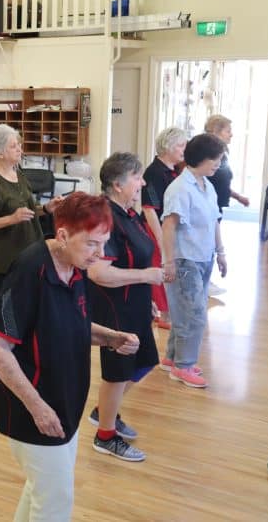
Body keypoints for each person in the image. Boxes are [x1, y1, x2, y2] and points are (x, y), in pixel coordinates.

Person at [0, 192, 140, 521]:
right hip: (32, 409)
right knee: (56, 499)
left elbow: (74, 324)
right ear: (64, 235)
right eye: (93, 244)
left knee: (42, 490)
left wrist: (111, 338)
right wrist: (37, 407)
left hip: (65, 404)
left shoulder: (75, 266)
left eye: (105, 243)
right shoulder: (29, 270)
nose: (101, 254)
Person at [87, 153, 165, 462]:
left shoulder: (128, 213)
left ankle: (106, 410)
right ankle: (105, 436)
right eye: (137, 177)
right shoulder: (105, 218)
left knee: (145, 361)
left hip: (134, 302)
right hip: (114, 307)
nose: (143, 182)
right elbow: (99, 273)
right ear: (118, 185)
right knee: (117, 373)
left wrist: (146, 301)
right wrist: (146, 276)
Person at [0, 124, 60, 363]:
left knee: (13, 303)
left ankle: (5, 346)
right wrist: (12, 218)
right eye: (13, 146)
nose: (19, 149)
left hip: (17, 253)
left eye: (19, 144)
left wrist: (46, 209)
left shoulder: (19, 174)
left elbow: (25, 209)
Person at [161, 133, 227, 388]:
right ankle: (183, 367)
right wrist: (169, 263)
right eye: (215, 159)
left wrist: (221, 253)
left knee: (186, 311)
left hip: (204, 256)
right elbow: (169, 227)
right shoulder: (180, 189)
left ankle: (173, 358)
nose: (218, 164)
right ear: (201, 159)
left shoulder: (206, 185)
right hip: (185, 259)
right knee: (194, 314)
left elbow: (214, 221)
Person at [141, 127, 187, 330]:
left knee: (169, 268)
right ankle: (164, 314)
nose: (183, 150)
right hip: (155, 227)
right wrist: (160, 239)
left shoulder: (173, 171)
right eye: (180, 145)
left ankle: (168, 310)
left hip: (168, 227)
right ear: (168, 147)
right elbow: (149, 209)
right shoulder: (154, 172)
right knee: (161, 267)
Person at [204, 114, 249, 295]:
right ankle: (204, 282)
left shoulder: (221, 154)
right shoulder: (207, 152)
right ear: (216, 131)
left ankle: (206, 280)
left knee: (211, 243)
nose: (231, 135)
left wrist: (238, 197)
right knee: (207, 244)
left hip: (217, 207)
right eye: (228, 131)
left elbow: (222, 183)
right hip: (207, 208)